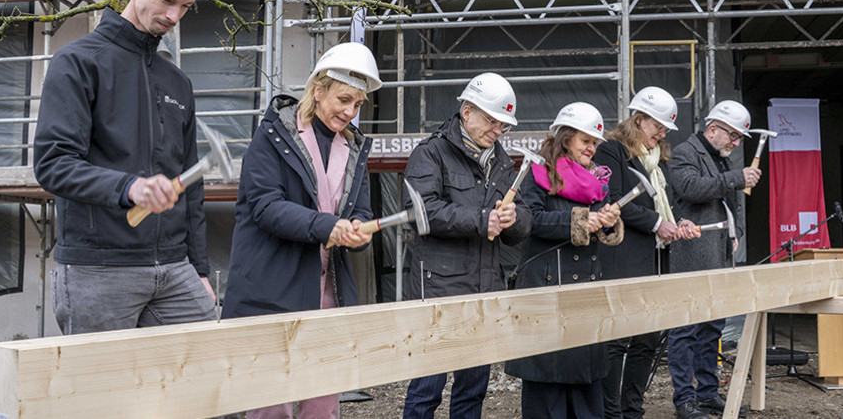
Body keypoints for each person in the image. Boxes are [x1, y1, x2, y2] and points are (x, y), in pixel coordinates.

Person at [33, 0, 216, 336]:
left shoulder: (177, 82)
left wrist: (199, 269)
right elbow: (54, 164)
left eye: (186, 6)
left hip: (173, 267)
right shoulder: (79, 63)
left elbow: (191, 190)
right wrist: (130, 187)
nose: (174, 16)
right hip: (99, 268)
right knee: (103, 393)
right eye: (167, 0)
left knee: (203, 377)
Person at [222, 42, 379, 419]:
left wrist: (359, 232)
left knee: (323, 407)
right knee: (268, 407)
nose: (349, 112)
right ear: (318, 90)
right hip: (269, 291)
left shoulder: (354, 149)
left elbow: (360, 211)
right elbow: (266, 208)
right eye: (343, 99)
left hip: (327, 291)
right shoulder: (271, 138)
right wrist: (330, 227)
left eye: (358, 105)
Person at [401, 72, 534, 419]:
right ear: (467, 111)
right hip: (439, 291)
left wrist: (513, 220)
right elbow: (420, 211)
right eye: (492, 120)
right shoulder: (430, 153)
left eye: (504, 124)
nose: (498, 130)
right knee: (426, 389)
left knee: (472, 391)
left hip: (484, 290)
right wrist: (481, 218)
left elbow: (523, 220)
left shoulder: (502, 161)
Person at [505, 102, 624, 419]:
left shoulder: (597, 181)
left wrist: (609, 220)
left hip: (585, 292)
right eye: (586, 140)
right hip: (547, 292)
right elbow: (530, 221)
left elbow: (604, 231)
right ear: (566, 137)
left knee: (586, 390)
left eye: (594, 143)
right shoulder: (537, 173)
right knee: (548, 392)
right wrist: (581, 221)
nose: (592, 148)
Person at [594, 87, 699, 419]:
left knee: (648, 340)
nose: (662, 134)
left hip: (656, 260)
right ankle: (611, 412)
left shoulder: (659, 160)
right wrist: (657, 223)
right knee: (617, 340)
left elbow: (668, 201)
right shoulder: (611, 151)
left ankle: (632, 409)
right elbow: (613, 201)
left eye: (666, 129)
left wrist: (677, 221)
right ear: (638, 120)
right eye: (658, 126)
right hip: (623, 258)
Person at [667, 100, 760, 419]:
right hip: (692, 255)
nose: (735, 143)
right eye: (733, 136)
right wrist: (736, 178)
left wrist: (738, 233)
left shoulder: (721, 159)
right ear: (713, 128)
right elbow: (690, 188)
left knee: (712, 326)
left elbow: (734, 202)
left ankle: (706, 394)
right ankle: (684, 399)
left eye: (739, 139)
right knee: (686, 327)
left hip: (719, 252)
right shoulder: (685, 153)